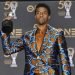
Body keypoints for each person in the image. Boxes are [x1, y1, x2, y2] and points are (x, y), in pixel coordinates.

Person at [0, 3, 71, 75]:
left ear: (49, 16)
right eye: (38, 13)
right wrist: (5, 30)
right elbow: (8, 50)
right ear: (35, 16)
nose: (41, 15)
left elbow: (64, 61)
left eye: (44, 13)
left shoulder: (57, 34)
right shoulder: (27, 36)